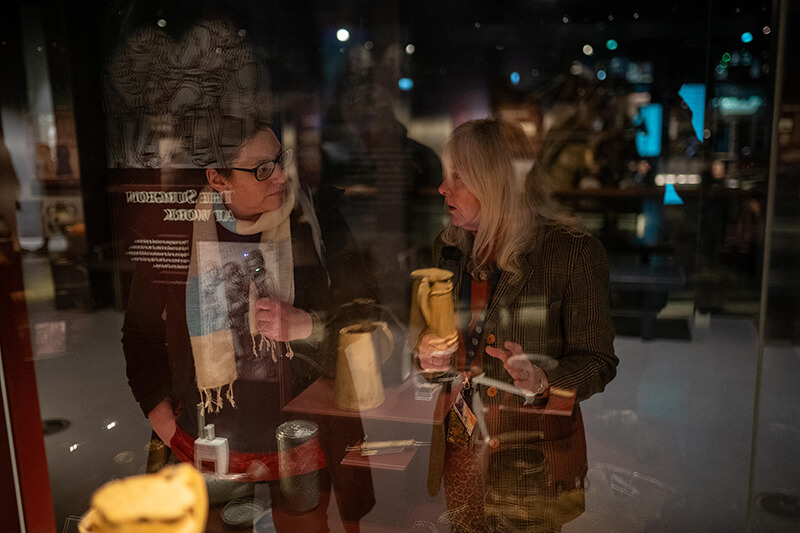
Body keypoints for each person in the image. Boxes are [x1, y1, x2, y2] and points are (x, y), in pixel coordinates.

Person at [122, 124, 377, 528]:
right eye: (261, 169)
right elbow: (141, 330)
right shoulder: (175, 228)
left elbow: (365, 316)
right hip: (207, 436)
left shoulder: (313, 219)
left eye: (279, 160)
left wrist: (308, 325)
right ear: (217, 178)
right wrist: (161, 416)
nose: (279, 175)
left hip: (304, 436)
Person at [417, 119, 618, 532]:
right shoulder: (450, 247)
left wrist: (544, 382)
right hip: (459, 449)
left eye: (457, 177)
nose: (443, 188)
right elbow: (432, 340)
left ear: (494, 183)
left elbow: (599, 361)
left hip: (530, 466)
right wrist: (427, 357)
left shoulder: (571, 253)